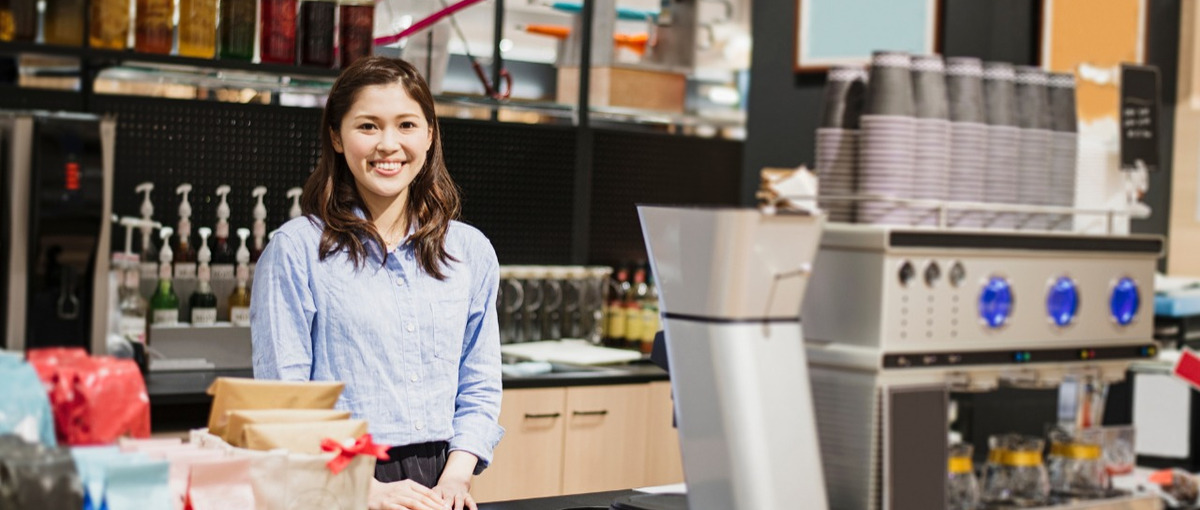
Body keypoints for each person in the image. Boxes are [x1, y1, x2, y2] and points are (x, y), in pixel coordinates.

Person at [251, 56, 503, 510]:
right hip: (336, 484)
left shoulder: (470, 251)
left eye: (406, 125)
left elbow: (480, 384)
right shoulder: (296, 250)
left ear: (429, 135)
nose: (389, 145)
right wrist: (360, 489)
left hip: (442, 484)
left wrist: (456, 477)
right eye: (368, 126)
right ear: (336, 136)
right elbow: (282, 403)